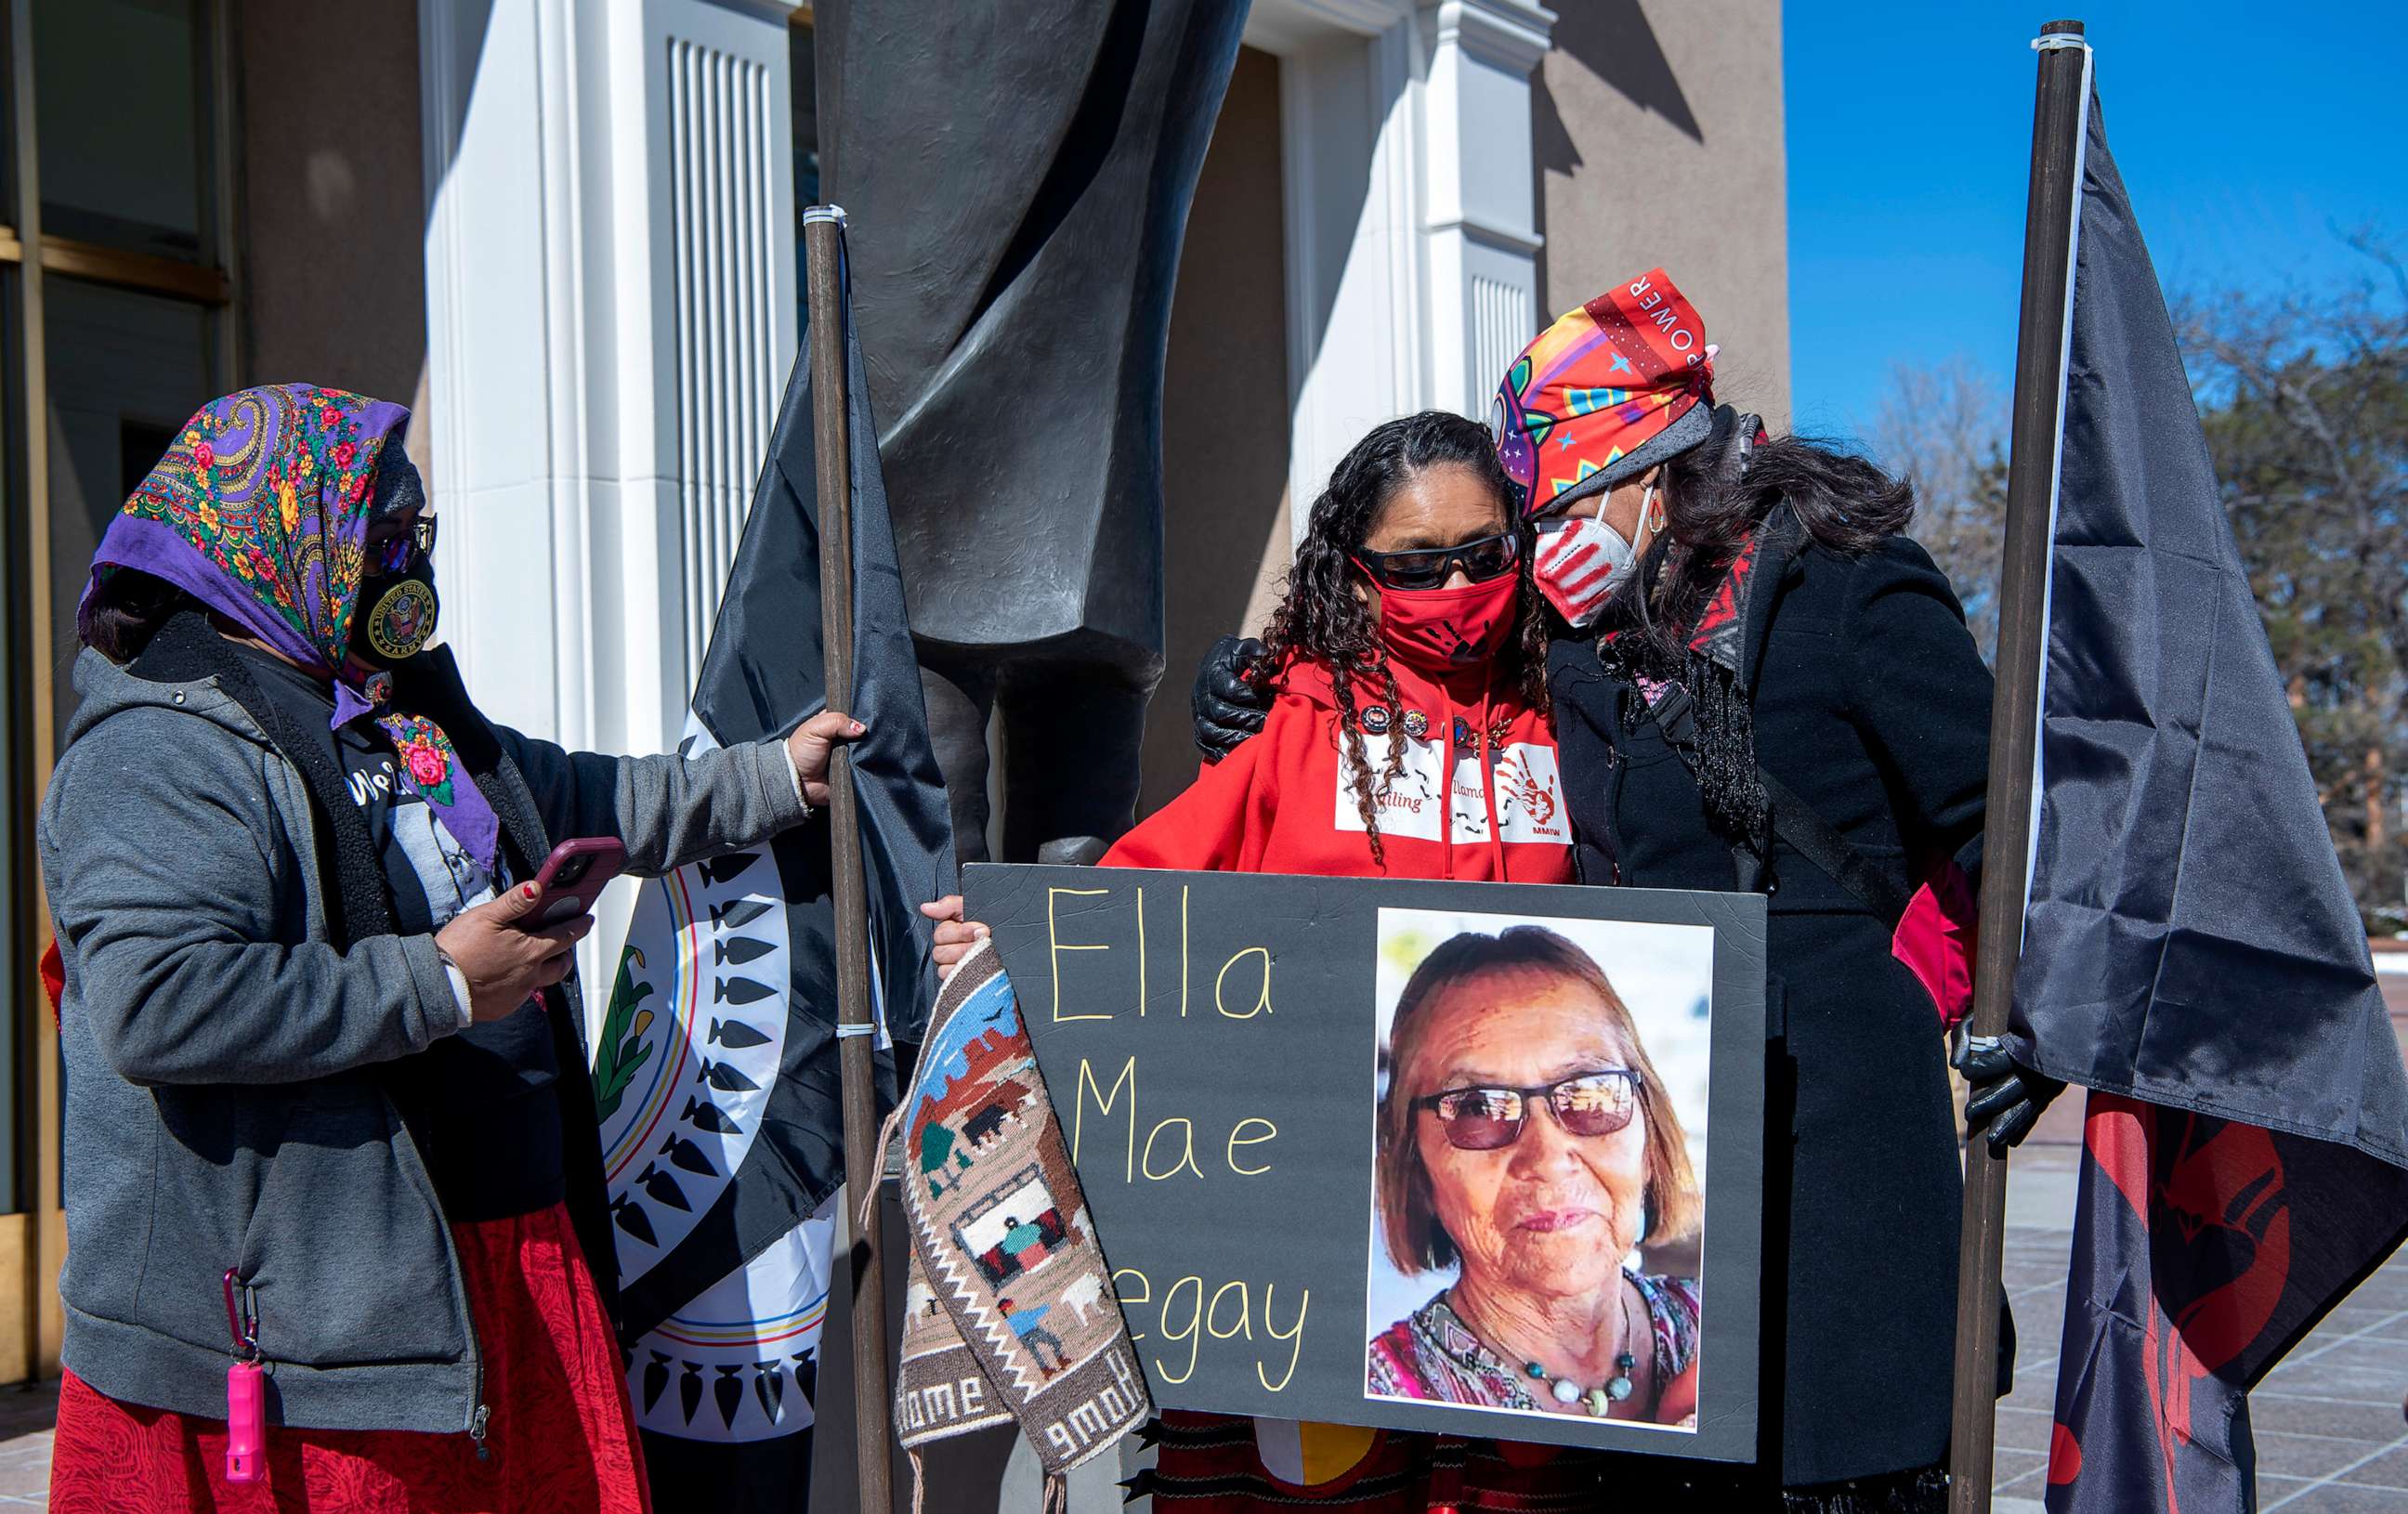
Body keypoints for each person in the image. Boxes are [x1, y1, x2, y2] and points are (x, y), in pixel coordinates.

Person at [1189, 271, 2063, 1508]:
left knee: (1840, 1469)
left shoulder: (1848, 582)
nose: (1552, 538)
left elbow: (1998, 818)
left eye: (1576, 500)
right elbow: (1415, 692)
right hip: (1672, 1165)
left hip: (1838, 1144)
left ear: (1659, 473)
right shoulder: (1592, 632)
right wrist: (1245, 698)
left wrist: (2032, 1008)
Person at [38, 384, 859, 1513]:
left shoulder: (399, 707)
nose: (409, 556)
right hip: (317, 1342)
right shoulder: (158, 747)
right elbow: (161, 1003)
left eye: (418, 528)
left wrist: (775, 775)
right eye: (385, 526)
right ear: (284, 530)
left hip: (501, 1263)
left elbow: (588, 794)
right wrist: (442, 980)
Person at [932, 411, 1596, 1507]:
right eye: (1417, 566)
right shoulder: (1294, 721)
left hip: (1513, 1216)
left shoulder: (1563, 718)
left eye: (1484, 556)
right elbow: (1157, 877)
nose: (1457, 588)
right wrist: (1011, 933)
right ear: (1354, 570)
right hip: (1310, 1213)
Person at [1368, 926, 1700, 1429]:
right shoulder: (1380, 1401)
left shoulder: (1733, 1337)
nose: (1547, 1157)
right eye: (1477, 1108)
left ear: (1649, 1139)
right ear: (1417, 1172)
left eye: (1592, 1092)